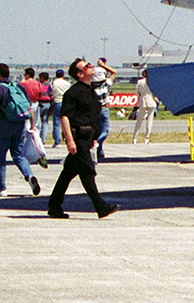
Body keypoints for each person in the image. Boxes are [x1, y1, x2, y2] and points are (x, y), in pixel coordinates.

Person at [48, 58, 118, 219]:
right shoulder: (73, 92)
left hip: (87, 138)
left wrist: (94, 137)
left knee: (68, 173)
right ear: (80, 74)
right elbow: (64, 117)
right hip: (78, 138)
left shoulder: (90, 90)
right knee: (87, 172)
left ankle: (54, 206)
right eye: (86, 66)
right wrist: (70, 140)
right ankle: (100, 207)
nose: (90, 66)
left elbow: (91, 116)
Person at [0, 64, 40, 197]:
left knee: (1, 157)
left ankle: (2, 188)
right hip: (20, 124)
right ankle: (29, 176)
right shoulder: (18, 86)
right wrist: (32, 126)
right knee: (18, 154)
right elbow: (28, 107)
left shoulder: (1, 89)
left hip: (4, 125)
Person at [91, 57, 116, 160]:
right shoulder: (107, 83)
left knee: (97, 130)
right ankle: (97, 144)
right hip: (104, 108)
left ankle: (100, 151)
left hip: (94, 110)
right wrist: (103, 66)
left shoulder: (91, 85)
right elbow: (114, 72)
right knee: (105, 130)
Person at [133, 69, 157, 143]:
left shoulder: (139, 82)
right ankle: (146, 138)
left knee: (139, 119)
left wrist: (140, 95)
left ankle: (134, 138)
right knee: (149, 120)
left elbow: (137, 93)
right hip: (151, 100)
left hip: (142, 100)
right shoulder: (152, 82)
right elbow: (154, 92)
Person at [50, 69, 70, 147]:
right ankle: (68, 139)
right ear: (63, 75)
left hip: (57, 101)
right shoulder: (67, 83)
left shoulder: (53, 83)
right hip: (66, 102)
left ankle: (57, 141)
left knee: (56, 123)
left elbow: (49, 92)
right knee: (67, 122)